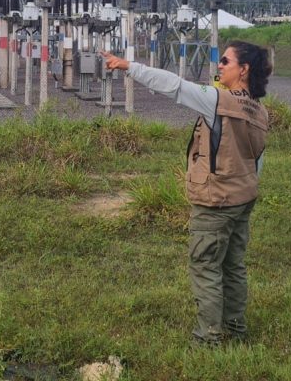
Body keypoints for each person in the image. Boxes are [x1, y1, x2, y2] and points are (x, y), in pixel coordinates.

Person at [101, 40, 271, 345]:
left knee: (205, 265)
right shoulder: (260, 110)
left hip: (215, 201)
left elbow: (174, 86)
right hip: (243, 198)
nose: (219, 65)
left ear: (243, 70)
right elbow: (257, 160)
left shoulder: (217, 100)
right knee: (233, 265)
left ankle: (208, 338)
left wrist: (129, 66)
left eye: (226, 62)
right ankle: (235, 328)